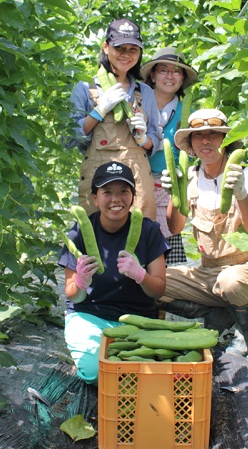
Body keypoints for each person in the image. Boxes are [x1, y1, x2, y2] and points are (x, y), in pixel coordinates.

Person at [159, 109, 248, 357]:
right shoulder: (191, 176)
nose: (205, 141)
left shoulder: (246, 175)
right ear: (190, 144)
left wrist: (241, 194)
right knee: (153, 282)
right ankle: (217, 314)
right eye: (198, 136)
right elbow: (175, 228)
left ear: (225, 141)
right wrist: (174, 195)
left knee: (231, 282)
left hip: (246, 268)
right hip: (207, 271)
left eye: (213, 135)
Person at [59, 161, 168, 384]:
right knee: (96, 372)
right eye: (107, 192)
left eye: (123, 191)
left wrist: (141, 275)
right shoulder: (79, 232)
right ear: (95, 198)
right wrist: (81, 283)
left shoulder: (149, 231)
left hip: (138, 319)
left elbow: (158, 290)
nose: (116, 199)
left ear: (133, 196)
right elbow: (72, 295)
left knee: (145, 376)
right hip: (90, 316)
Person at [68, 18, 161, 220]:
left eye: (132, 49)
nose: (126, 55)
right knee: (96, 240)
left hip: (137, 179)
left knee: (140, 237)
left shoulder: (144, 92)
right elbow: (71, 137)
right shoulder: (85, 90)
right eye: (119, 48)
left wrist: (143, 139)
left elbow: (156, 138)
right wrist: (99, 111)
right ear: (106, 47)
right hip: (98, 179)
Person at [140, 47, 199, 265]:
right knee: (135, 232)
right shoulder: (138, 103)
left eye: (176, 71)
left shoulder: (187, 111)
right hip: (138, 179)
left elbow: (193, 148)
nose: (169, 76)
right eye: (163, 70)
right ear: (153, 76)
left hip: (168, 184)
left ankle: (165, 289)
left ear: (182, 78)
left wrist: (182, 174)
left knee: (166, 236)